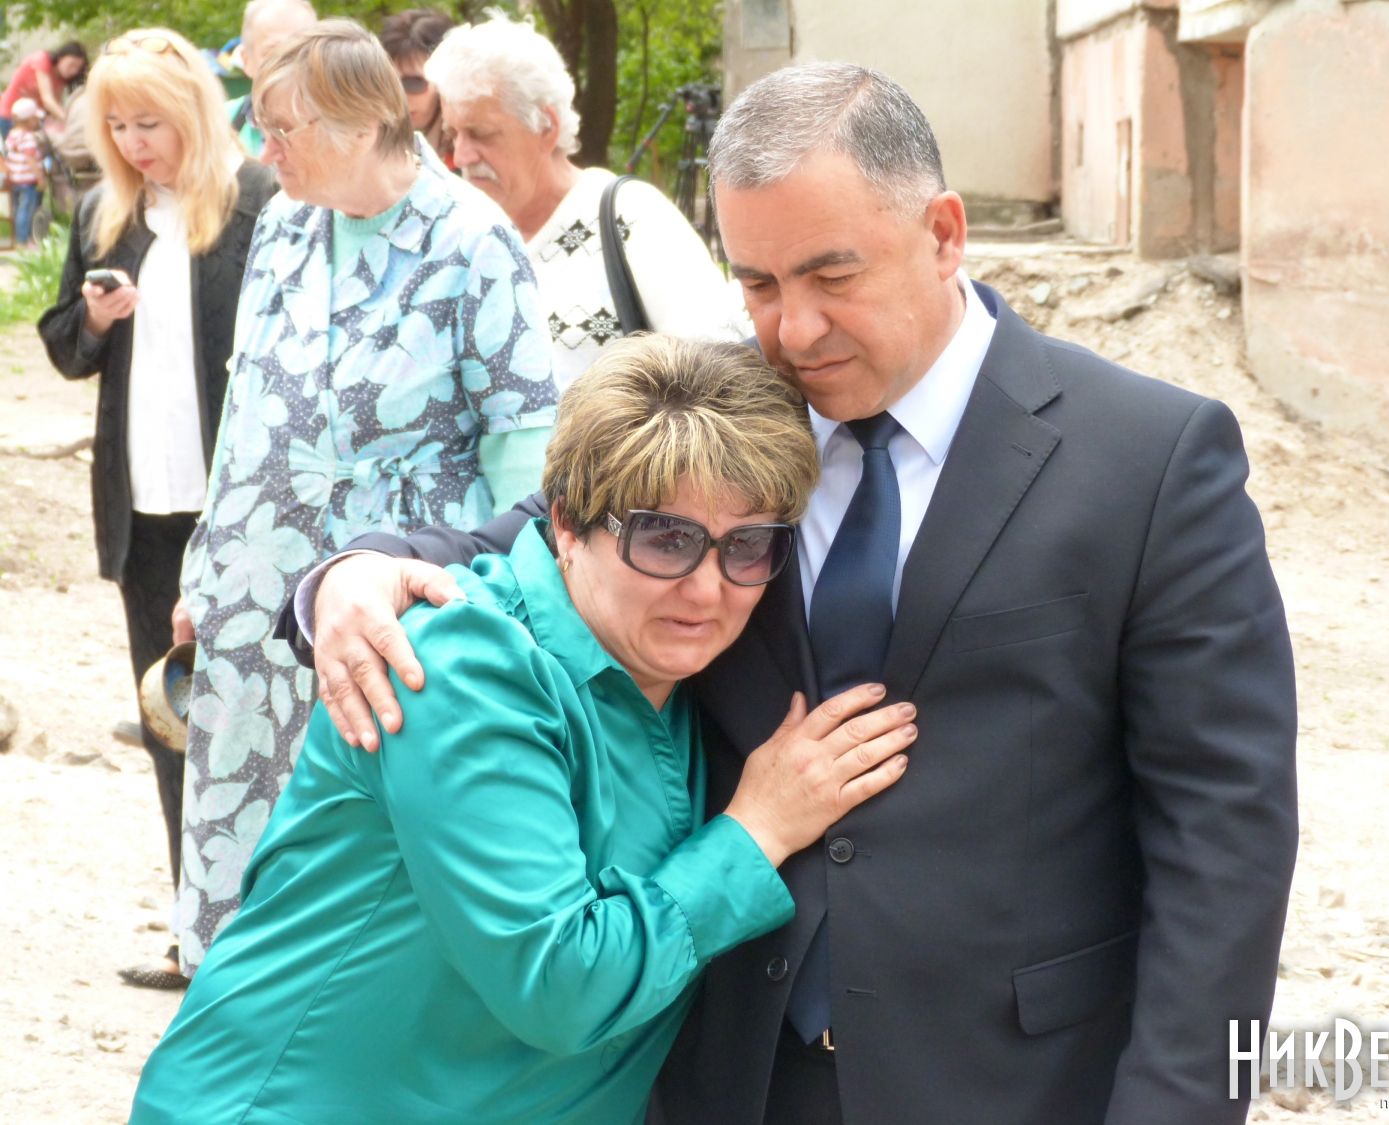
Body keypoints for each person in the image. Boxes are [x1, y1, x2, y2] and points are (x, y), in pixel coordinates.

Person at [292, 62, 1300, 1124]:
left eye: (833, 276)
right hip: (732, 1075)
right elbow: (546, 533)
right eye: (760, 284)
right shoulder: (728, 410)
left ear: (944, 233)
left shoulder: (1150, 457)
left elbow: (1226, 837)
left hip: (1014, 1083)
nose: (796, 331)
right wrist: (354, 571)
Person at [131, 335, 915, 1123]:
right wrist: (758, 828)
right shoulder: (462, 667)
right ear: (566, 524)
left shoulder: (679, 669)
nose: (708, 589)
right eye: (664, 538)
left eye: (747, 546)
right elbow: (561, 985)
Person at [172, 19, 556, 976]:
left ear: (356, 123)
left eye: (283, 130)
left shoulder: (473, 239)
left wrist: (521, 616)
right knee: (244, 850)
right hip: (253, 600)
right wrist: (200, 564)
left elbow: (523, 446)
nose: (267, 152)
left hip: (393, 609)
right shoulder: (284, 224)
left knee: (368, 866)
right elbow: (244, 404)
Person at [36, 27, 277, 990]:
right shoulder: (107, 213)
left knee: (259, 721)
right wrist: (94, 318)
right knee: (171, 718)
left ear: (195, 115)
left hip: (244, 513)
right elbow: (64, 345)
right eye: (119, 127)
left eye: (151, 123)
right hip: (144, 512)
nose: (136, 144)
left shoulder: (260, 203)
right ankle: (193, 932)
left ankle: (264, 933)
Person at [423, 14, 748, 391]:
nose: (462, 156)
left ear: (546, 126)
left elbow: (723, 380)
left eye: (481, 134)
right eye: (453, 135)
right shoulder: (456, 236)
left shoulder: (630, 217)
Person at [223, 0, 318, 156]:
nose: (289, 63)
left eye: (302, 49)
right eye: (273, 53)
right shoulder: (219, 123)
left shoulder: (344, 126)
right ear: (247, 61)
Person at [379, 8, 454, 167]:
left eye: (413, 82)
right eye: (388, 82)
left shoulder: (468, 158)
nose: (399, 95)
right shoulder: (372, 152)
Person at [0, 40, 87, 138]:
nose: (74, 71)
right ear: (61, 57)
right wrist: (70, 121)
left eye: (78, 68)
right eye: (72, 64)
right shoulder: (42, 59)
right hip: (11, 116)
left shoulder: (61, 78)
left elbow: (55, 106)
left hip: (33, 121)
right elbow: (48, 100)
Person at [4, 97, 44, 247]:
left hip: (15, 179)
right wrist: (40, 178)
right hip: (27, 180)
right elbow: (30, 159)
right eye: (35, 118)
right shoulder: (28, 137)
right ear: (30, 120)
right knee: (27, 210)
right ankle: (24, 240)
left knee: (17, 209)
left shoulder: (12, 135)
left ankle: (17, 236)